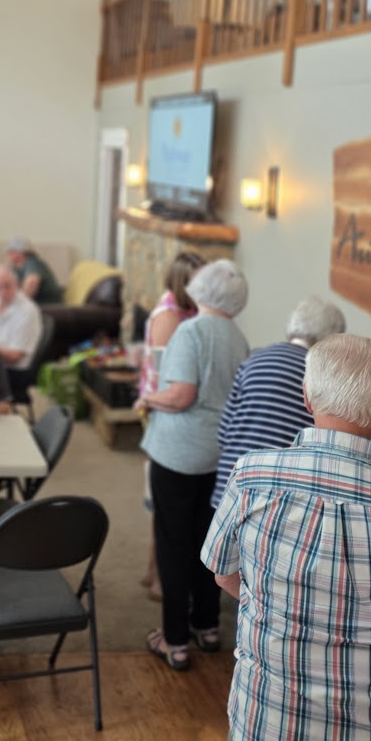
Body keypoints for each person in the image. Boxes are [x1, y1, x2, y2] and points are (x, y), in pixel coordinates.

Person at [201, 335, 371, 741]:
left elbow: (223, 573)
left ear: (306, 397)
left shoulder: (250, 477)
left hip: (265, 729)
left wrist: (280, 611)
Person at [136, 258, 249, 670]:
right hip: (218, 453)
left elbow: (180, 395)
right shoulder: (238, 337)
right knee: (208, 539)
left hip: (179, 453)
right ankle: (207, 625)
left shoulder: (191, 331)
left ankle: (175, 639)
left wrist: (148, 398)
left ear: (200, 289)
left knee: (172, 543)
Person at [214, 296, 347, 502]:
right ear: (330, 339)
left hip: (230, 484)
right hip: (274, 498)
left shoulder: (253, 359)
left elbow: (223, 432)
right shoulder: (320, 375)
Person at [138, 251, 204, 599]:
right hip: (163, 410)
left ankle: (153, 570)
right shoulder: (169, 317)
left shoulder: (189, 313)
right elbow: (169, 375)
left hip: (171, 409)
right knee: (163, 502)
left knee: (163, 501)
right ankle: (160, 577)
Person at [0, 264, 44, 380]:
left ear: (16, 283)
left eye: (7, 286)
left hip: (15, 372)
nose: (3, 292)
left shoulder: (27, 310)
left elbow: (15, 357)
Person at [4, 236, 63, 304]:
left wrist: (14, 304)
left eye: (11, 251)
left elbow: (31, 285)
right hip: (37, 306)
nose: (8, 254)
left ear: (21, 252)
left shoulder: (33, 263)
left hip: (50, 306)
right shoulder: (17, 267)